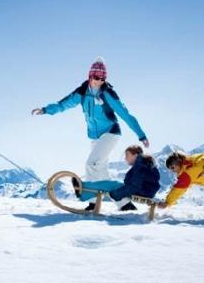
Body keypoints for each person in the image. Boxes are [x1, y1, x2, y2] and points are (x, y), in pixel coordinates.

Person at [32, 57, 149, 211]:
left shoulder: (107, 93)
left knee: (91, 163)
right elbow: (63, 104)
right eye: (95, 77)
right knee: (98, 172)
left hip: (110, 132)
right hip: (94, 136)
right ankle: (122, 204)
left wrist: (141, 135)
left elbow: (125, 114)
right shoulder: (82, 92)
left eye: (102, 78)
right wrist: (46, 110)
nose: (98, 81)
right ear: (90, 76)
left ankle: (91, 195)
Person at [74, 145, 160, 211]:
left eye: (127, 155)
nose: (125, 158)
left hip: (142, 192)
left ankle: (83, 189)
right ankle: (83, 188)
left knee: (111, 185)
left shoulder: (141, 166)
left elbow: (134, 186)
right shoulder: (142, 164)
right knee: (110, 184)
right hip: (143, 190)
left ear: (135, 155)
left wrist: (117, 194)